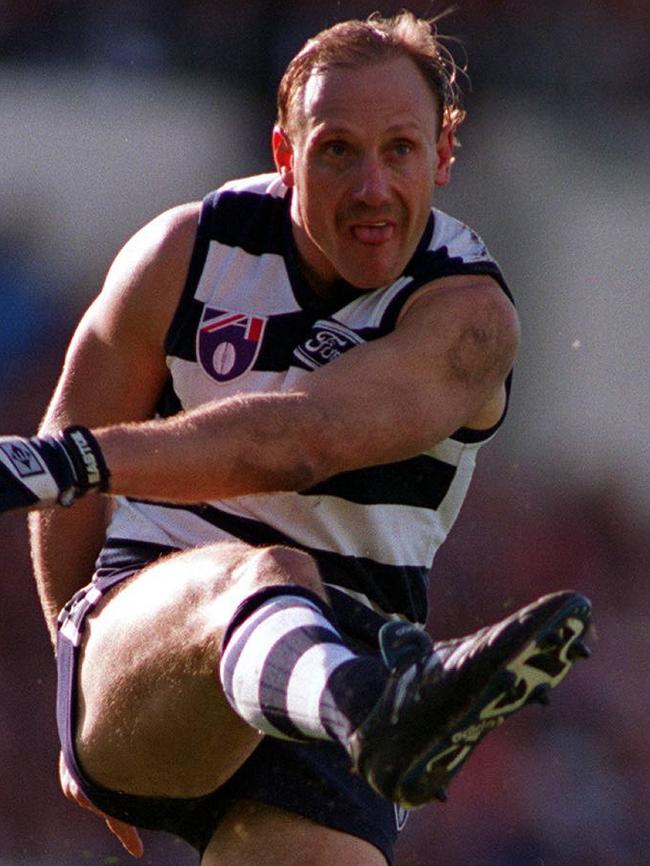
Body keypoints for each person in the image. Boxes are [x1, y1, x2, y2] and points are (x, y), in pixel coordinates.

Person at [0, 12, 591, 866]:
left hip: (332, 694)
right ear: (285, 154)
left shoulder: (469, 316)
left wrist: (68, 463)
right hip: (163, 631)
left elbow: (300, 440)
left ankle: (375, 709)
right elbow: (70, 424)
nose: (373, 188)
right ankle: (385, 710)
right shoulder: (184, 250)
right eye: (338, 151)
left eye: (400, 150)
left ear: (444, 157)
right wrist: (76, 662)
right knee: (268, 575)